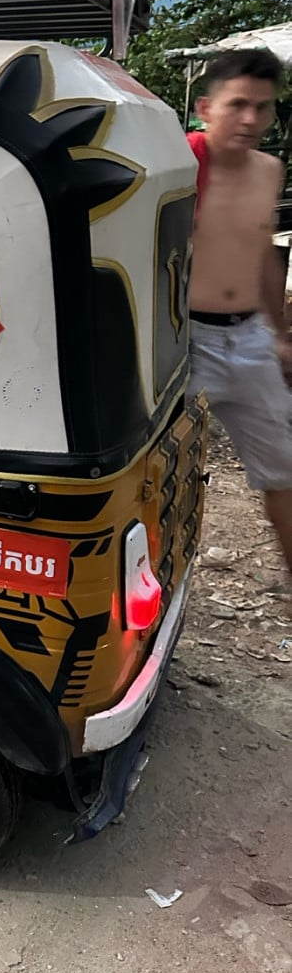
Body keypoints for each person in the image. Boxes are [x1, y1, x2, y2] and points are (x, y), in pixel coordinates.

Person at [187, 46, 292, 576]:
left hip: (249, 337)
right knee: (160, 472)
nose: (251, 119)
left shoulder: (269, 170)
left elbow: (264, 252)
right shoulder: (179, 165)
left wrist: (282, 334)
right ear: (206, 108)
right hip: (185, 341)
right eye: (238, 105)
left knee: (285, 471)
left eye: (262, 107)